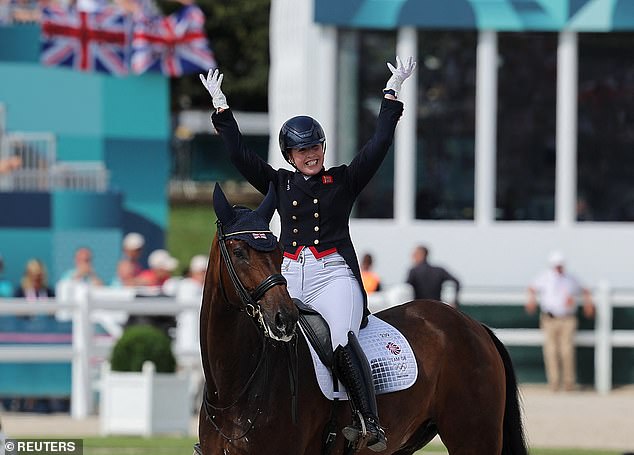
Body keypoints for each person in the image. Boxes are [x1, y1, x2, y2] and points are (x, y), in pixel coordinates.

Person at [200, 55, 416, 452]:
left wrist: (392, 95)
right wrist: (221, 109)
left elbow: (379, 144)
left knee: (337, 336)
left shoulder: (345, 179)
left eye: (315, 147)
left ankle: (369, 422)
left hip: (333, 272)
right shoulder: (278, 182)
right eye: (302, 151)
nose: (311, 154)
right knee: (266, 338)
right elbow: (239, 156)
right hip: (289, 272)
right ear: (289, 155)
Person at [525, 251, 594, 392]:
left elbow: (585, 289)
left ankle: (569, 382)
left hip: (567, 318)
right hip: (549, 318)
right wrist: (531, 301)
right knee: (551, 351)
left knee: (566, 351)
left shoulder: (570, 278)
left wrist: (587, 304)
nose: (558, 268)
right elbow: (532, 287)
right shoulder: (545, 277)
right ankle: (554, 383)